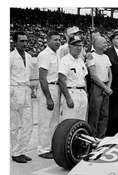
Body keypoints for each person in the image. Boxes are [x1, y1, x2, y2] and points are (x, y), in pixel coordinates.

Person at [37, 31, 61, 159]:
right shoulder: (45, 55)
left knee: (54, 122)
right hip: (48, 88)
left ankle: (51, 147)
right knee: (45, 121)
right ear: (48, 40)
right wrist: (48, 98)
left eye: (59, 40)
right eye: (55, 40)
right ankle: (43, 149)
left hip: (56, 87)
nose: (58, 42)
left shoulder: (56, 54)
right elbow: (42, 78)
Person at [10, 31, 33, 163]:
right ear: (15, 42)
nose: (25, 43)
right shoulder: (10, 57)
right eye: (21, 41)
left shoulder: (29, 57)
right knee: (14, 125)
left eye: (26, 41)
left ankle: (22, 150)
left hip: (26, 90)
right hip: (14, 90)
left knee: (27, 123)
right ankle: (15, 152)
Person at [87, 36, 112, 138]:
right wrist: (105, 88)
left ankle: (101, 137)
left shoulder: (106, 57)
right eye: (103, 43)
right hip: (96, 87)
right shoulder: (91, 56)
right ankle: (92, 138)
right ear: (96, 45)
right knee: (95, 115)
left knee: (104, 115)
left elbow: (110, 73)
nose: (106, 45)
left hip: (106, 86)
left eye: (106, 43)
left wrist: (108, 87)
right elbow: (93, 75)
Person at [58, 35, 88, 121]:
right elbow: (61, 80)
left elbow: (84, 78)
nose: (78, 48)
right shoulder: (65, 60)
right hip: (71, 92)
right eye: (75, 45)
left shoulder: (81, 60)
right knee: (69, 120)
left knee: (81, 120)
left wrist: (85, 93)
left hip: (81, 92)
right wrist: (68, 98)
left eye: (80, 46)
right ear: (69, 46)